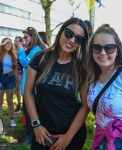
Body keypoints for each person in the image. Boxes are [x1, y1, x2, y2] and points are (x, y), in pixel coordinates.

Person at [24, 17, 89, 150]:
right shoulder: (40, 58)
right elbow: (28, 92)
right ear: (61, 32)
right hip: (42, 133)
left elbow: (85, 105)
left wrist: (68, 137)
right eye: (69, 33)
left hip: (71, 134)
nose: (71, 40)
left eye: (78, 38)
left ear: (82, 43)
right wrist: (36, 125)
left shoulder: (81, 67)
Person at [17, 27, 46, 145]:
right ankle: (29, 134)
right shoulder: (30, 49)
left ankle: (29, 137)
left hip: (32, 90)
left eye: (26, 37)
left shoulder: (37, 49)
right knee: (26, 111)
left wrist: (20, 50)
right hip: (27, 89)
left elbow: (26, 63)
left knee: (29, 113)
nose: (24, 40)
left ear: (33, 37)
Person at [0, 38, 18, 127]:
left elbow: (15, 71)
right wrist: (2, 43)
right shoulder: (0, 54)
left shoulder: (13, 56)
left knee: (9, 100)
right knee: (0, 100)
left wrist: (17, 83)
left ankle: (12, 119)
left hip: (10, 78)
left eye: (10, 44)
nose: (8, 45)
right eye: (6, 43)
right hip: (1, 79)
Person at [14, 36, 24, 112]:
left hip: (22, 73)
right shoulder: (13, 50)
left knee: (22, 90)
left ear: (21, 42)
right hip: (14, 73)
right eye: (15, 41)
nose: (15, 42)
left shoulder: (23, 50)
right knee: (17, 90)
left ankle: (24, 104)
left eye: (17, 41)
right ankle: (19, 104)